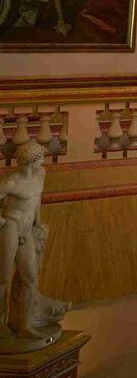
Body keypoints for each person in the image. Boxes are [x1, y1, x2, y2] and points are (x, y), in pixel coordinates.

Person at [0, 142, 68, 341]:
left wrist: (38, 223)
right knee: (2, 279)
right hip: (11, 227)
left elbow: (37, 199)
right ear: (31, 160)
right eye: (41, 158)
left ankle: (23, 325)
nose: (43, 161)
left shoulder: (41, 174)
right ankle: (0, 325)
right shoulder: (11, 182)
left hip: (27, 229)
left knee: (30, 278)